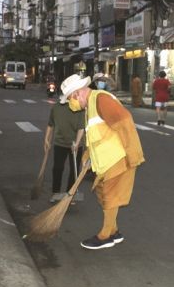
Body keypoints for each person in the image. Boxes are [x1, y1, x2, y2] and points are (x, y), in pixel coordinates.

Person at [62, 74, 145, 250]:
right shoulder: (91, 105)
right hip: (106, 162)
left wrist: (133, 155)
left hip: (119, 157)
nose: (71, 104)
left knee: (110, 196)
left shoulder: (101, 100)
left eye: (70, 99)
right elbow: (96, 135)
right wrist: (87, 157)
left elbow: (125, 123)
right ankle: (114, 231)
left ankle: (105, 235)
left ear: (77, 93)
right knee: (102, 194)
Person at [44, 86, 85, 204]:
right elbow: (50, 124)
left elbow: (81, 128)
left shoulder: (79, 109)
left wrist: (77, 143)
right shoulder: (56, 108)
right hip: (60, 143)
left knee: (74, 170)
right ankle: (55, 193)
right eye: (75, 92)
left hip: (75, 145)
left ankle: (70, 194)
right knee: (57, 168)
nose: (77, 95)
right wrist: (46, 139)